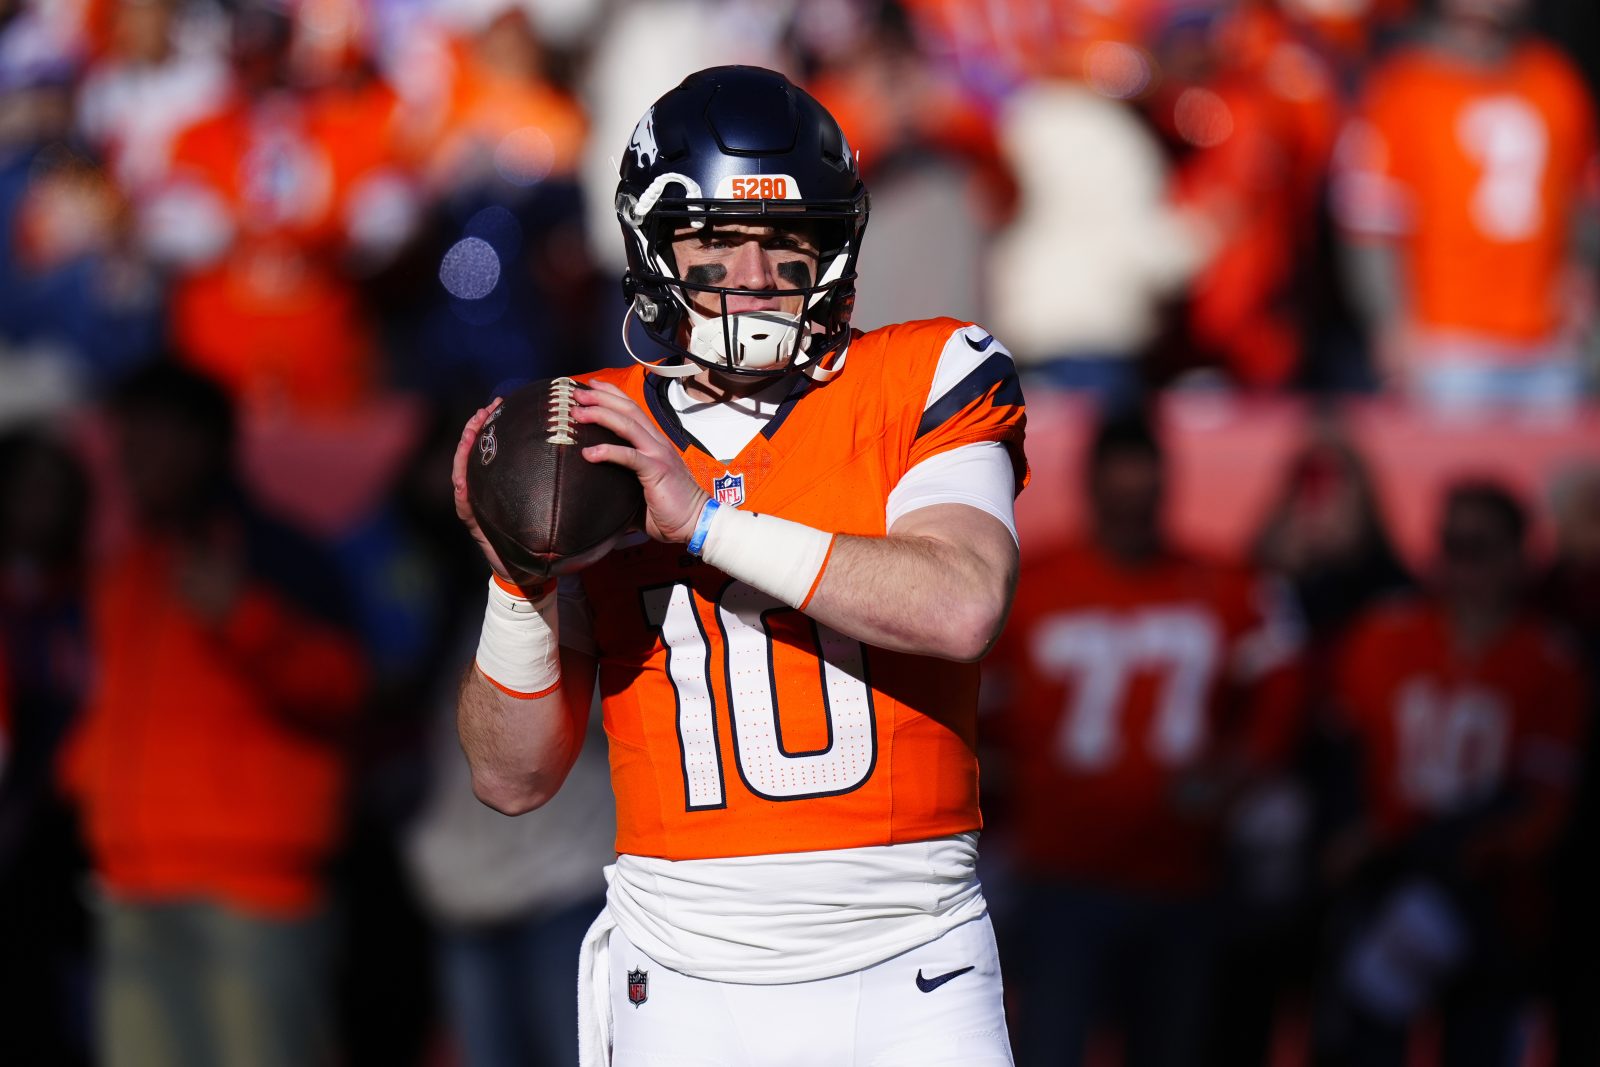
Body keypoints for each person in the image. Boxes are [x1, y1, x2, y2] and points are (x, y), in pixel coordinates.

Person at [451, 66, 1027, 1066]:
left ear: (833, 249)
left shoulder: (925, 371)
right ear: (653, 244)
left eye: (784, 239)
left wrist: (703, 518)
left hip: (911, 963)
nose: (754, 273)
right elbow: (509, 776)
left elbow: (959, 601)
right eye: (716, 239)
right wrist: (518, 579)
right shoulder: (585, 428)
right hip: (683, 979)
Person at [58, 362, 367, 1067]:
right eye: (125, 436)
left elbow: (345, 690)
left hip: (254, 895)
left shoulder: (278, 552)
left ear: (208, 442)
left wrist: (244, 618)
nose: (132, 453)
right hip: (131, 884)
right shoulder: (124, 565)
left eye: (152, 434)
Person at [985, 411, 1303, 1067]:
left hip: (1181, 874)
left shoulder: (1225, 587)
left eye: (1143, 494)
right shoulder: (1035, 587)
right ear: (1092, 489)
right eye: (1119, 495)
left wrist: (1239, 774)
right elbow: (973, 721)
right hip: (1061, 873)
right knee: (1053, 1044)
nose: (1132, 510)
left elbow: (1283, 695)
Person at [1316, 481, 1587, 1067]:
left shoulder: (1549, 662)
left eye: (1479, 547)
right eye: (1450, 545)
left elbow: (1547, 803)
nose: (1462, 565)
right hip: (1383, 881)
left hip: (1492, 900)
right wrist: (1349, 835)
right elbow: (1342, 749)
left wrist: (1463, 858)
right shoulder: (1386, 636)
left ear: (1519, 558)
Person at [1331, 0, 1599, 409]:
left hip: (1546, 341)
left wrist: (1580, 272)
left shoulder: (1555, 80)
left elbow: (1581, 196)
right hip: (1446, 343)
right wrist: (1388, 320)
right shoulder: (1405, 86)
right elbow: (1370, 219)